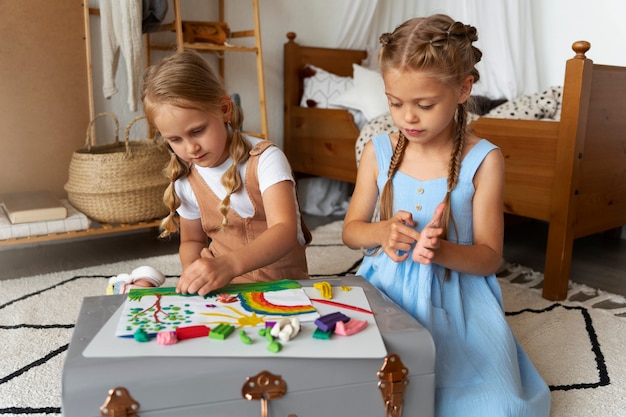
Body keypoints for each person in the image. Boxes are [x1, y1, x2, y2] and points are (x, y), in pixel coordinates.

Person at [342, 14, 550, 417]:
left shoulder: (483, 159)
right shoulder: (377, 151)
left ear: (463, 89)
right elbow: (352, 232)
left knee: (502, 408)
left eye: (424, 104)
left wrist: (440, 251)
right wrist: (382, 232)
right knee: (359, 391)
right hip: (386, 294)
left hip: (460, 301)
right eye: (395, 102)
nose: (407, 118)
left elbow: (489, 256)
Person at [142, 49, 310, 297]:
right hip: (224, 292)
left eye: (197, 131)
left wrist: (229, 265)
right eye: (175, 140)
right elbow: (192, 242)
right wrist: (196, 276)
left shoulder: (266, 159)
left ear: (224, 109)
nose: (191, 148)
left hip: (280, 287)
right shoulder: (186, 179)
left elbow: (284, 230)